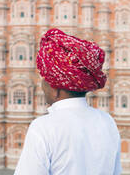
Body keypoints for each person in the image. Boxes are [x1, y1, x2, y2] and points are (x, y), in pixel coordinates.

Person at [14, 28, 122, 175]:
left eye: (45, 80)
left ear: (55, 88)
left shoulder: (43, 128)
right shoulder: (107, 122)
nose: (42, 86)